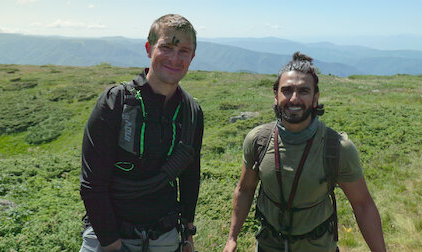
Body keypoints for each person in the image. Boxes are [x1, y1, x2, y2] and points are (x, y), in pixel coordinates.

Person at [223, 52, 386, 252]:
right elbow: (245, 189)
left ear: (315, 98)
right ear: (276, 96)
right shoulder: (258, 140)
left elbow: (363, 205)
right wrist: (232, 238)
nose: (294, 99)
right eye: (287, 90)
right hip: (267, 246)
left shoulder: (337, 148)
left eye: (303, 91)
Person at [79, 14, 203, 252]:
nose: (175, 58)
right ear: (149, 48)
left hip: (164, 234)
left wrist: (187, 233)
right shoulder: (115, 103)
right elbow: (92, 184)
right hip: (108, 233)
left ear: (193, 56)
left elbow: (190, 176)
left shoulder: (191, 112)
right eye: (166, 47)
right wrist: (111, 243)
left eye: (184, 51)